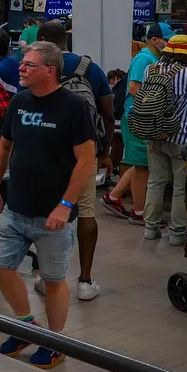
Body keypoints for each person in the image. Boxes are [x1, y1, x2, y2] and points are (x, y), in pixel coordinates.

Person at [0, 41, 97, 370]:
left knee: (53, 280)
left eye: (29, 64)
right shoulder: (19, 101)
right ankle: (26, 327)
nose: (21, 68)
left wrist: (65, 205)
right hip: (16, 207)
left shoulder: (74, 107)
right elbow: (3, 147)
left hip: (54, 215)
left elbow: (86, 160)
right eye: (22, 63)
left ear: (50, 70)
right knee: (0, 267)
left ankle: (55, 342)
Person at [32, 21, 112, 301]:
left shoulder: (37, 66)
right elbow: (107, 112)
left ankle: (48, 278)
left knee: (50, 213)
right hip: (85, 152)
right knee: (87, 213)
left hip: (47, 154)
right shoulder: (90, 67)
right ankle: (85, 282)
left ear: (43, 39)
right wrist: (104, 151)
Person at [102, 22, 169, 225]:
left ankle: (113, 196)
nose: (168, 43)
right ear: (155, 40)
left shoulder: (154, 58)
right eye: (166, 40)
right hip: (138, 118)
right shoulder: (144, 58)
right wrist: (153, 108)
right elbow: (133, 88)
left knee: (140, 162)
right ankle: (139, 212)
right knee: (142, 167)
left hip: (141, 117)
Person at [142, 35, 187, 245]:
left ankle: (150, 229)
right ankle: (177, 234)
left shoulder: (150, 70)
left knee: (155, 182)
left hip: (154, 134)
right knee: (180, 187)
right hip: (183, 138)